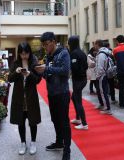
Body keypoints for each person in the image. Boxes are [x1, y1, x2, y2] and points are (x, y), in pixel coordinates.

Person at [35, 32, 71, 160]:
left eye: (46, 44)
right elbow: (47, 75)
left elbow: (65, 71)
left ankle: (67, 150)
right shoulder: (48, 56)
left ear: (53, 41)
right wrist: (41, 72)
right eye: (43, 45)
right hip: (52, 93)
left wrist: (46, 69)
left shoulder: (63, 53)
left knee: (64, 122)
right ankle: (59, 142)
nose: (45, 47)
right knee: (55, 119)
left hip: (62, 93)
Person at [8, 42, 42, 156]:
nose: (24, 56)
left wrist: (29, 74)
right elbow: (10, 79)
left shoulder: (33, 63)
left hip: (31, 97)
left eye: (26, 53)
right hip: (19, 98)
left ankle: (33, 142)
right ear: (19, 53)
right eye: (22, 54)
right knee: (20, 121)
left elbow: (38, 80)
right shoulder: (16, 63)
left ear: (29, 52)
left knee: (33, 121)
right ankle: (23, 143)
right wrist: (16, 72)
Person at [68, 35, 89, 130]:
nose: (68, 45)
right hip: (83, 79)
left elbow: (74, 68)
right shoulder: (82, 53)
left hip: (78, 80)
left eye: (69, 43)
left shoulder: (74, 53)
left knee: (78, 101)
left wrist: (70, 71)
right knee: (74, 97)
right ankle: (78, 118)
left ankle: (84, 124)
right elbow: (86, 66)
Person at [95, 40, 113, 115]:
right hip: (104, 74)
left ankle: (107, 108)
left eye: (95, 44)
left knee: (103, 92)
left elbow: (100, 67)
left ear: (97, 44)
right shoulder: (105, 52)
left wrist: (98, 76)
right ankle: (106, 107)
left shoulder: (101, 54)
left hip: (102, 76)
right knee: (104, 92)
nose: (94, 46)